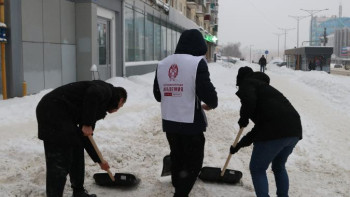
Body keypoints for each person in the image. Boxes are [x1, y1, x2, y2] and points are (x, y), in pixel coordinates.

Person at [153, 29, 218, 197]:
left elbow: (158, 95)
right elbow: (207, 91)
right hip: (190, 122)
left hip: (169, 120)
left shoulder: (162, 64)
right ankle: (181, 192)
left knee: (177, 154)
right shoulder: (197, 63)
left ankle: (178, 182)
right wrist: (211, 103)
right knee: (193, 161)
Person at [36, 80, 127, 197]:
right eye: (120, 107)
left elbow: (86, 138)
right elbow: (93, 93)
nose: (116, 111)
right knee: (59, 160)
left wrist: (99, 161)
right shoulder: (106, 91)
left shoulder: (97, 106)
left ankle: (78, 191)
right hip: (52, 110)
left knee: (77, 147)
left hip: (61, 115)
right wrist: (87, 123)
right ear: (120, 99)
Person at [230, 66, 302, 197]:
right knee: (279, 166)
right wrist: (240, 144)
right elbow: (261, 126)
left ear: (240, 81)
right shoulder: (264, 89)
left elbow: (249, 101)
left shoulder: (248, 83)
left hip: (275, 131)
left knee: (257, 169)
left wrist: (244, 118)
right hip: (294, 130)